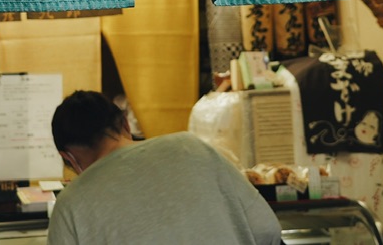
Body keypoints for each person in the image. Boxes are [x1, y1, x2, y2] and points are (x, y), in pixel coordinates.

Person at [48, 90, 283, 245]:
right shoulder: (191, 147)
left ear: (68, 157)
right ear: (125, 125)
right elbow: (267, 229)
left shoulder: (71, 202)